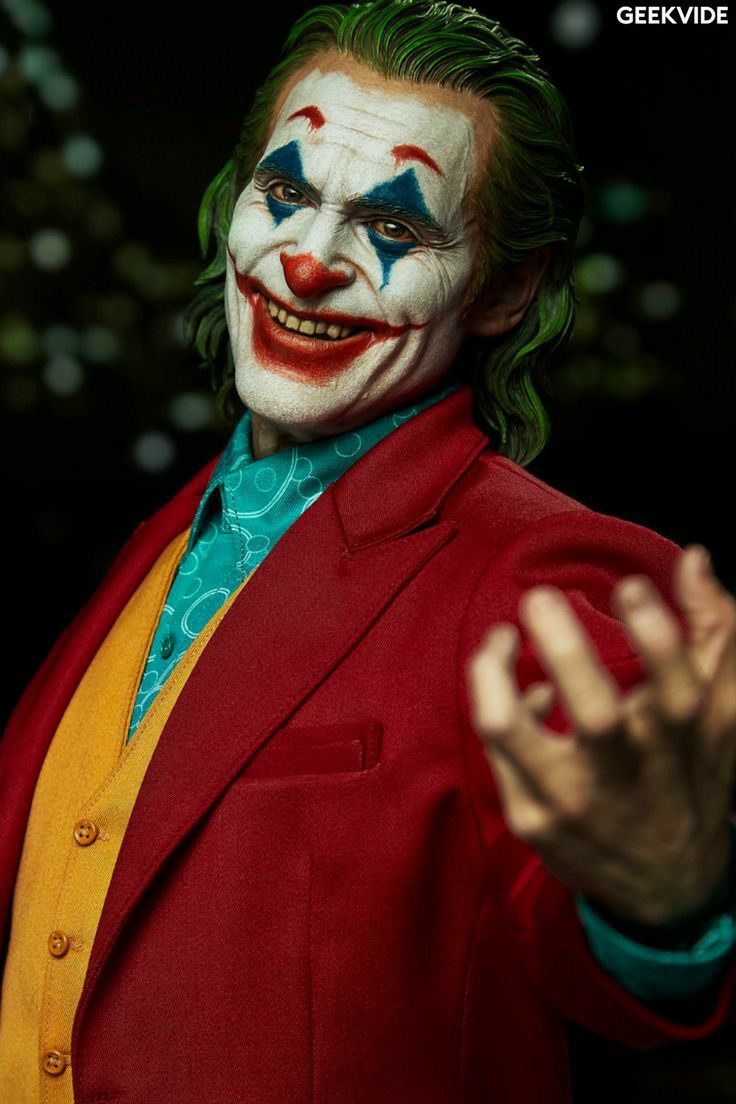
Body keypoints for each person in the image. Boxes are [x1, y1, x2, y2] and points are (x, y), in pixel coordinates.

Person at [1, 2, 734, 1101]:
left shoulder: (548, 579)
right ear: (232, 205)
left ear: (504, 288)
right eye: (287, 195)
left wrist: (664, 913)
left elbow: (596, 954)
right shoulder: (162, 537)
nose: (306, 266)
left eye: (395, 229)